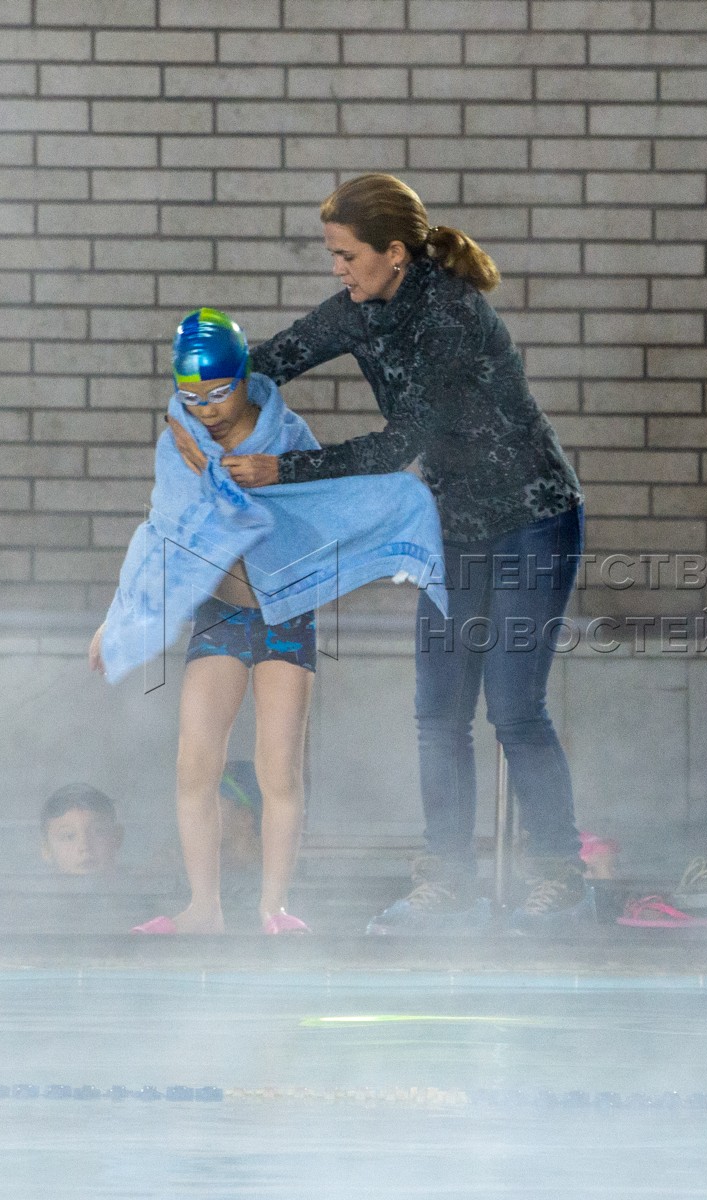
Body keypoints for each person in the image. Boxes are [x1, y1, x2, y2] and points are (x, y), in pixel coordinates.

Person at [169, 173, 591, 935]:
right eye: (332, 255)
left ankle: (561, 878)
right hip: (454, 525)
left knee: (513, 706)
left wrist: (281, 470)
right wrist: (196, 404)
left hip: (533, 518)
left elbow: (400, 446)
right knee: (439, 713)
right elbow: (271, 360)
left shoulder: (452, 316)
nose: (337, 268)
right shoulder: (360, 307)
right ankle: (449, 885)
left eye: (346, 255)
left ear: (394, 252)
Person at [90, 309, 314, 936]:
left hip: (284, 614)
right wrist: (118, 618)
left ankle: (273, 908)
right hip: (220, 613)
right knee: (194, 764)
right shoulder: (178, 441)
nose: (207, 409)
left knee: (278, 768)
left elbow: (321, 510)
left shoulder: (288, 434)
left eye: (218, 393)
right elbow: (161, 531)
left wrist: (238, 478)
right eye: (192, 397)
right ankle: (204, 908)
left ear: (243, 379)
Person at [39, 783, 125, 876]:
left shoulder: (136, 882)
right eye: (69, 836)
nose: (84, 846)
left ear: (117, 837)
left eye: (98, 832)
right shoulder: (33, 884)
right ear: (46, 848)